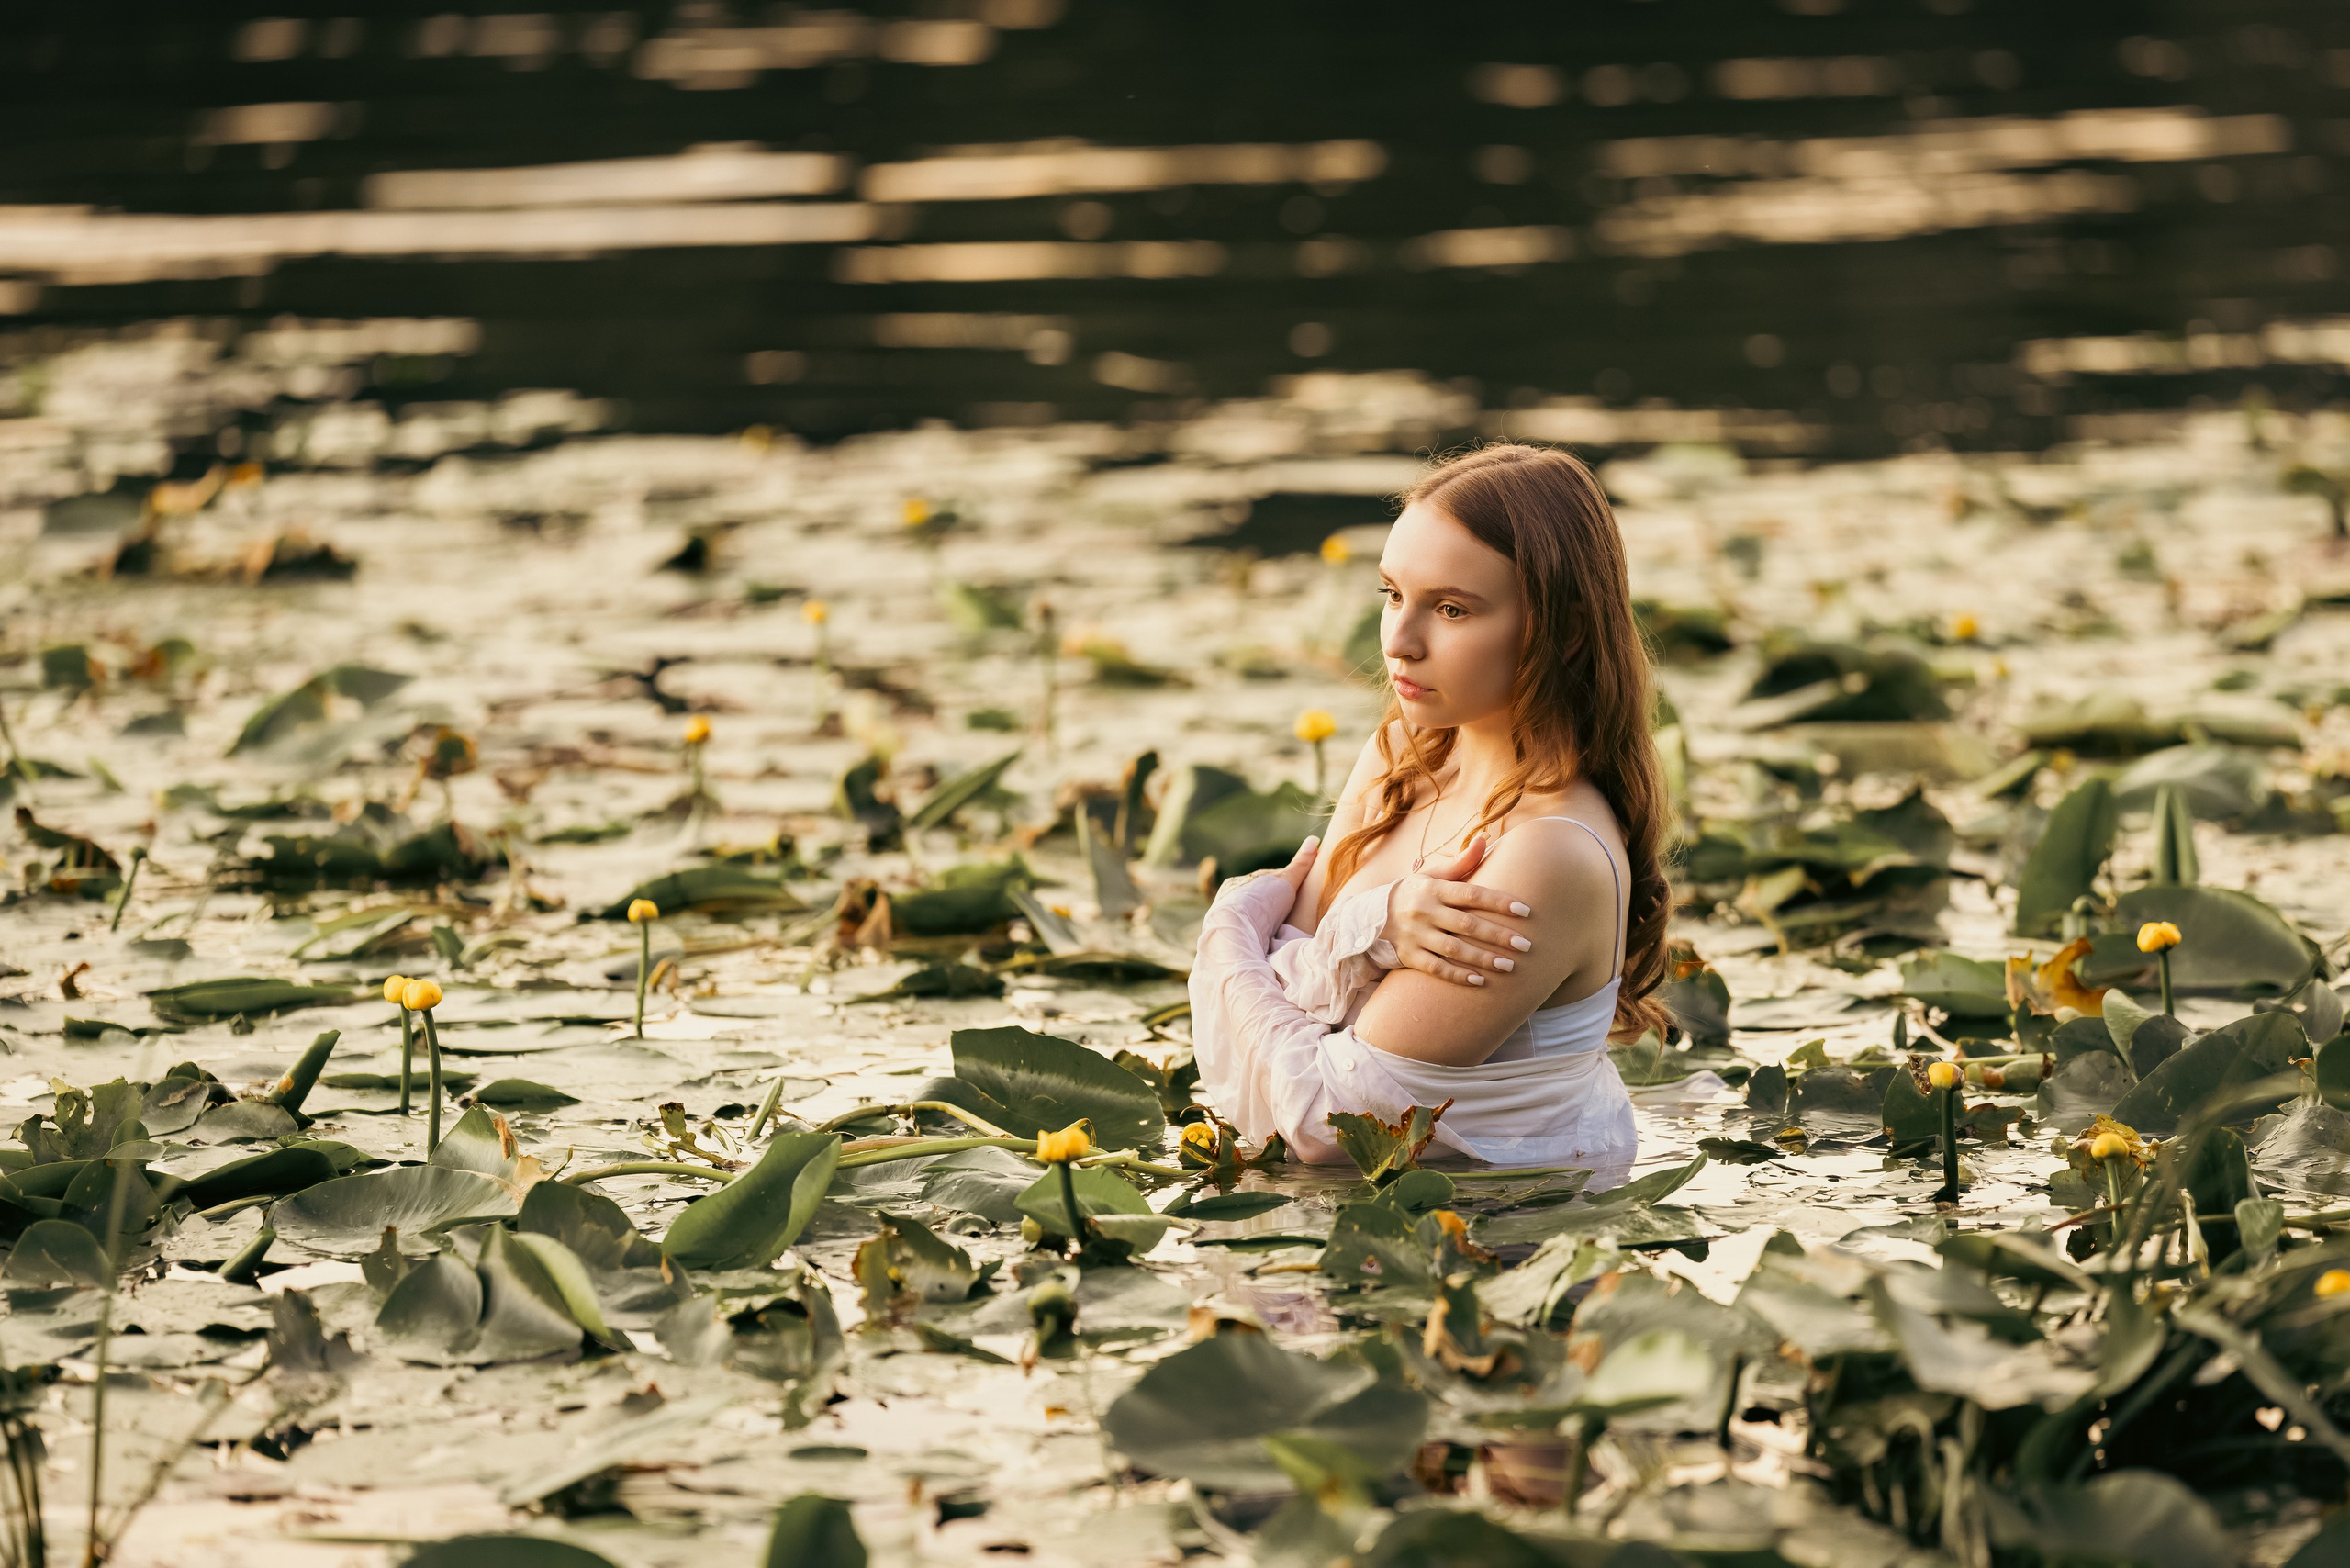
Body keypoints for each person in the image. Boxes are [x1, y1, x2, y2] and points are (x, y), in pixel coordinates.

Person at [1188, 443, 1673, 1169]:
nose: (1400, 642)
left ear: (1563, 629)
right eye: (1391, 595)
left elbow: (1331, 1124)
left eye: (1451, 609)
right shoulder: (1401, 756)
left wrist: (1229, 933)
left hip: (1490, 1247)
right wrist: (1376, 926)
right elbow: (1297, 996)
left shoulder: (1550, 852)